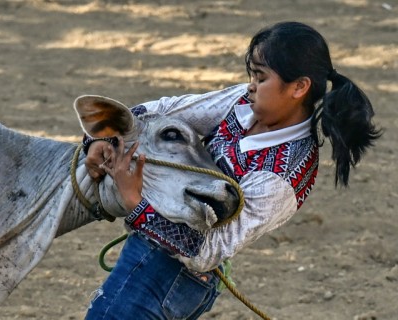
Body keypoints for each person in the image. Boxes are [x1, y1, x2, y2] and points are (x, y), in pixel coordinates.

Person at [82, 21, 381, 319]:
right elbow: (165, 110)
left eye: (261, 77)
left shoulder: (284, 175)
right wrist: (104, 136)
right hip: (151, 253)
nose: (251, 85)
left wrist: (135, 203)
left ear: (299, 87)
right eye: (252, 75)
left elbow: (208, 251)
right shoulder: (244, 102)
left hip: (176, 277)